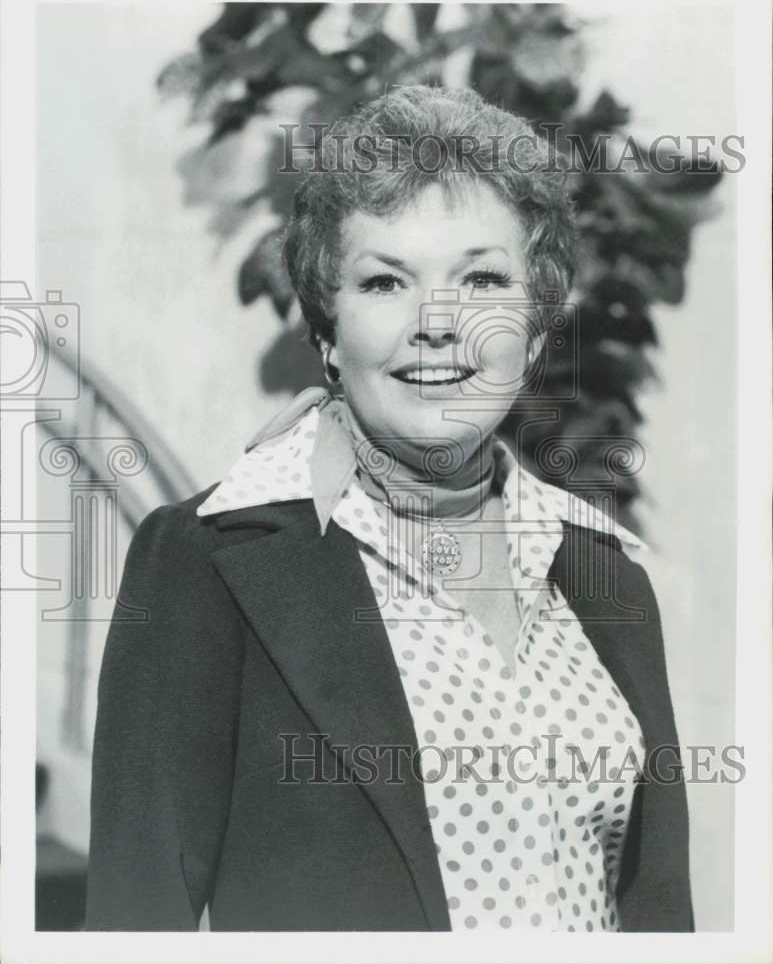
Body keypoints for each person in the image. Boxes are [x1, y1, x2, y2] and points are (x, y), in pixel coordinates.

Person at [86, 85, 693, 932]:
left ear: (538, 327)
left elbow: (659, 917)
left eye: (481, 278)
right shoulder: (206, 560)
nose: (437, 323)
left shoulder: (604, 572)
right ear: (328, 332)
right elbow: (133, 920)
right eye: (384, 281)